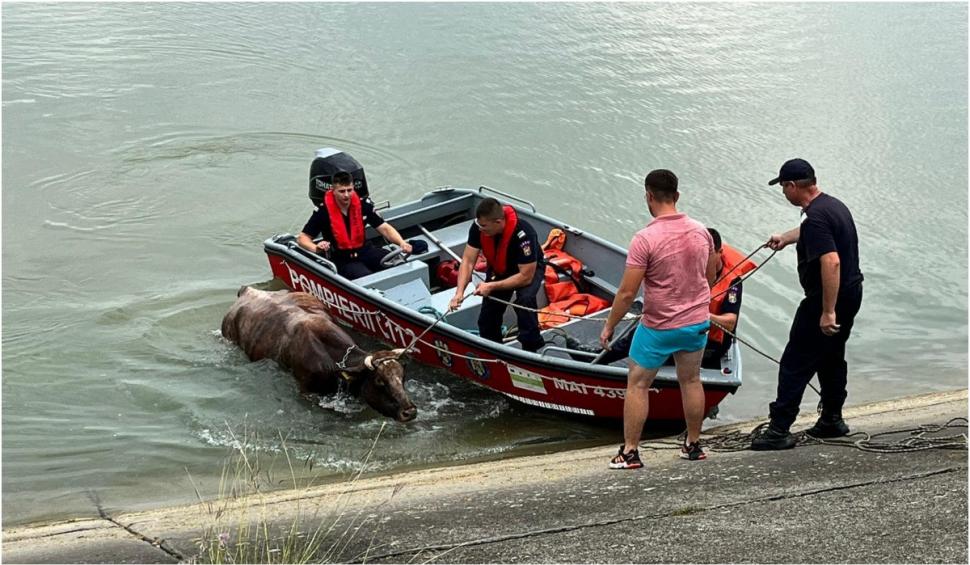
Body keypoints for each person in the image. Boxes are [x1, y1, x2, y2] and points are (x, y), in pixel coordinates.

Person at [602, 170, 717, 468]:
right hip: (695, 323)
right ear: (677, 196)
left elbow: (627, 293)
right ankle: (693, 445)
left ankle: (630, 452)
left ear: (649, 196)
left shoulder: (644, 239)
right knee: (691, 380)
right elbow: (710, 277)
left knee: (638, 384)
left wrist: (609, 325)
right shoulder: (701, 232)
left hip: (658, 326)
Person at [751, 158, 864, 450]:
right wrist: (785, 238)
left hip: (826, 299)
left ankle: (779, 429)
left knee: (795, 361)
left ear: (792, 185)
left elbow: (831, 261)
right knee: (831, 356)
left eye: (783, 187)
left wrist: (827, 311)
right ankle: (832, 419)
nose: (783, 193)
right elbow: (811, 230)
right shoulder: (831, 206)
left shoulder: (815, 217)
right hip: (851, 292)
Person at [578, 228, 747, 368]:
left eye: (707, 256)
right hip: (686, 328)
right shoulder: (692, 265)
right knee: (645, 329)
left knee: (662, 354)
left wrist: (700, 315)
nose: (702, 261)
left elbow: (730, 322)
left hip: (710, 343)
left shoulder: (733, 283)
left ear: (719, 252)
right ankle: (600, 357)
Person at [448, 197, 545, 353]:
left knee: (525, 300)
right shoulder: (479, 227)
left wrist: (491, 286)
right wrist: (459, 293)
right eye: (479, 224)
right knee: (487, 319)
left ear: (498, 222)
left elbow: (525, 277)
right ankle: (493, 350)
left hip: (526, 270)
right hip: (499, 268)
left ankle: (531, 349)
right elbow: (468, 261)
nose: (481, 229)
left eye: (484, 226)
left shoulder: (524, 234)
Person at [297, 172, 412, 279]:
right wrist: (317, 248)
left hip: (365, 251)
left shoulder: (364, 205)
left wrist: (401, 243)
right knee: (365, 276)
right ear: (333, 191)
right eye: (342, 191)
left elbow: (385, 228)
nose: (346, 195)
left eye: (349, 190)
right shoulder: (322, 212)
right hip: (342, 259)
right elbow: (302, 238)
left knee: (397, 262)